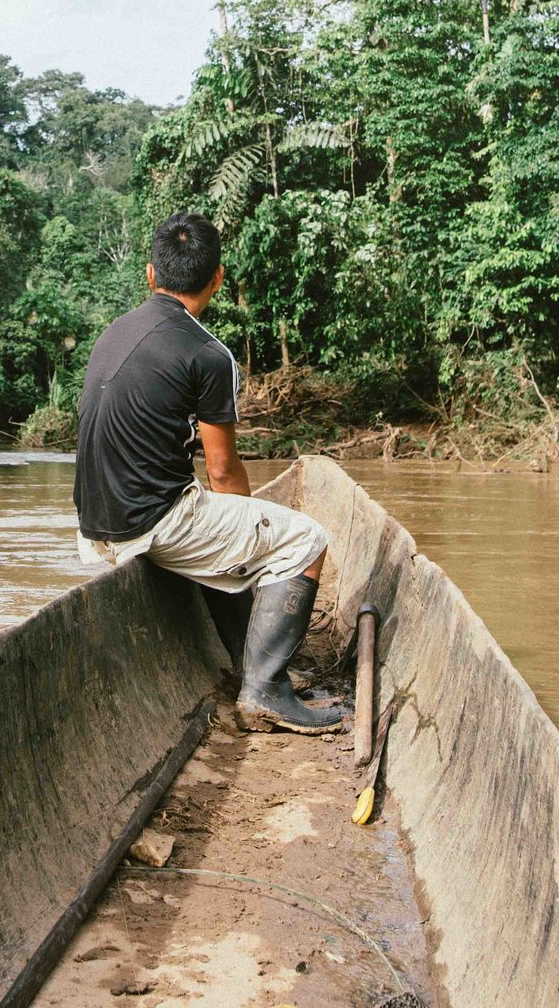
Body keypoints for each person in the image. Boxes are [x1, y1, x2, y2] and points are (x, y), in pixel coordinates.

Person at [72, 211, 345, 734]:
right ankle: (264, 688)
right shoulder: (208, 353)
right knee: (305, 540)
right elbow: (222, 473)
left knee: (234, 530)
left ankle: (250, 663)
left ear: (150, 275)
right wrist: (249, 525)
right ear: (217, 278)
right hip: (152, 521)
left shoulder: (114, 331)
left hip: (94, 526)